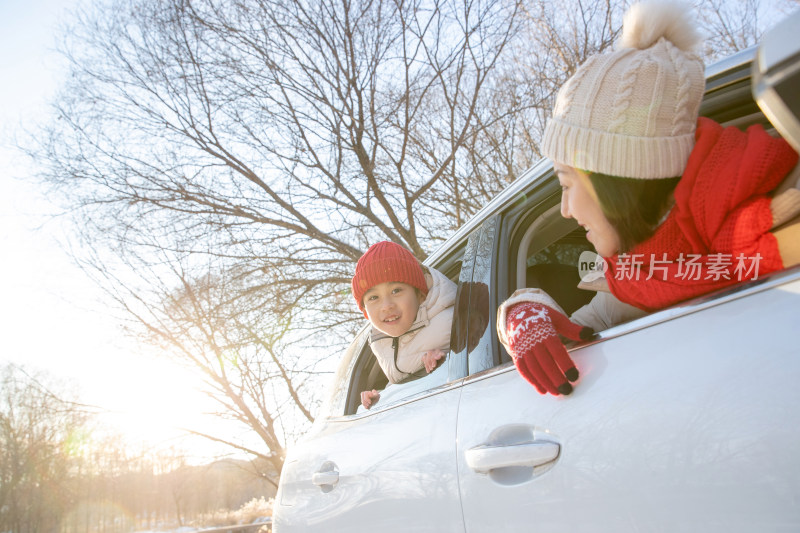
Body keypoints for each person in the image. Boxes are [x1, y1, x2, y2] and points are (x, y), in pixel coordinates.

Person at [498, 0, 800, 397]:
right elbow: (573, 326)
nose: (566, 210)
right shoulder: (639, 275)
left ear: (618, 177)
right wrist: (519, 312)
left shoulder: (785, 206)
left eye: (567, 183)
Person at [352, 241, 457, 409]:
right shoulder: (381, 345)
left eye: (396, 290)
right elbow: (403, 382)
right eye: (373, 298)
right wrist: (380, 396)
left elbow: (478, 359)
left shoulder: (454, 320)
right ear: (366, 313)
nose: (386, 305)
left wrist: (447, 360)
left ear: (420, 295)